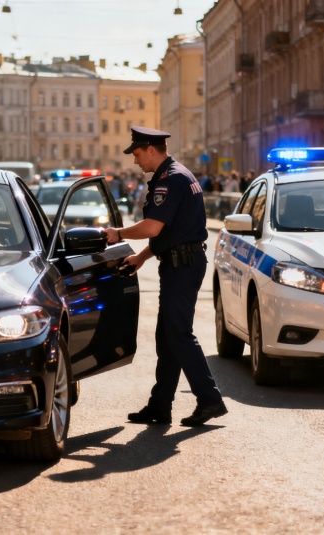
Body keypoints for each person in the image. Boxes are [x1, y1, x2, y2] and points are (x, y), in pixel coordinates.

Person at [103, 126, 227, 427]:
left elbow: (153, 227)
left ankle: (210, 400)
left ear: (150, 149)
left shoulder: (170, 180)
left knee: (179, 334)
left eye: (136, 154)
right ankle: (160, 406)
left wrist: (118, 234)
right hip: (179, 262)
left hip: (182, 266)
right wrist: (141, 257)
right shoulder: (173, 175)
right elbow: (170, 233)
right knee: (167, 336)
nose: (135, 161)